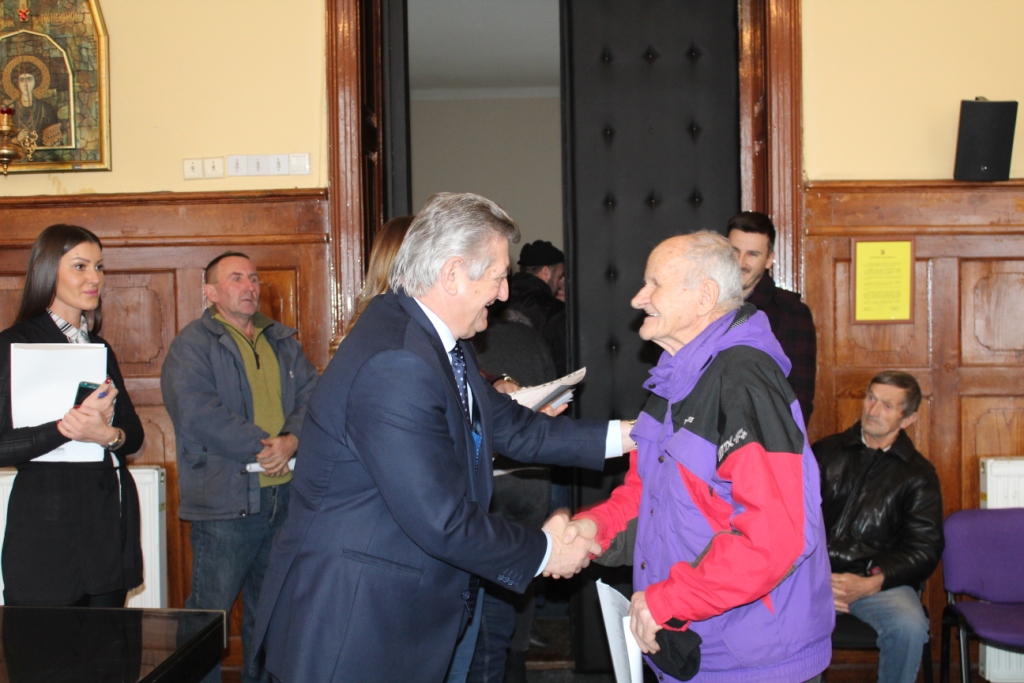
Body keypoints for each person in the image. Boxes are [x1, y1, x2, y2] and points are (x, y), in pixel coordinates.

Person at [253, 192, 633, 683]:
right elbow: (443, 520)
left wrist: (633, 436)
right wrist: (546, 551)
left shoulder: (431, 336)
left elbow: (512, 425)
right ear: (453, 274)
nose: (504, 294)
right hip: (355, 624)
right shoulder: (397, 362)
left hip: (394, 610)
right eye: (497, 276)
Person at [566, 231, 834, 683]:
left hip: (754, 660)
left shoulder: (744, 381)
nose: (638, 299)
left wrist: (669, 600)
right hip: (693, 648)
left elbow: (775, 537)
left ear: (705, 296)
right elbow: (648, 495)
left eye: (654, 284)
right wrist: (594, 529)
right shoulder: (674, 377)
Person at [160, 251, 318, 683]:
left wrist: (292, 440)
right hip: (225, 504)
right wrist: (263, 446)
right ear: (210, 292)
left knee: (271, 617)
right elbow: (196, 412)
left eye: (253, 278)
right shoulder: (192, 344)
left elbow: (314, 397)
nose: (250, 286)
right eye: (236, 279)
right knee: (207, 619)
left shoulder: (282, 340)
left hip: (283, 499)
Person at [0, 224, 144, 607]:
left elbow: (134, 434)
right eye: (80, 266)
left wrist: (107, 436)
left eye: (99, 267)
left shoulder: (99, 347)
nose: (95, 278)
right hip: (46, 530)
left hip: (105, 523)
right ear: (48, 271)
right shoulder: (14, 344)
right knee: (47, 643)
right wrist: (65, 428)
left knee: (109, 642)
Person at [813, 371, 943, 683]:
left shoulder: (919, 475)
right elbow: (791, 522)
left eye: (887, 405)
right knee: (771, 614)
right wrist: (814, 579)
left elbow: (924, 549)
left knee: (910, 626)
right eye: (871, 398)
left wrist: (871, 582)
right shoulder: (823, 453)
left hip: (878, 583)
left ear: (908, 418)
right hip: (815, 577)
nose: (873, 410)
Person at [727, 211, 816, 424]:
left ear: (769, 260)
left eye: (752, 254)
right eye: (734, 251)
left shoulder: (792, 313)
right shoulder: (700, 303)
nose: (740, 262)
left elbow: (799, 398)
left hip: (760, 434)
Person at [495, 239, 567, 375]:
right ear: (546, 272)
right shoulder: (554, 310)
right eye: (560, 275)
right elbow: (563, 365)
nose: (560, 283)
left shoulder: (497, 300)